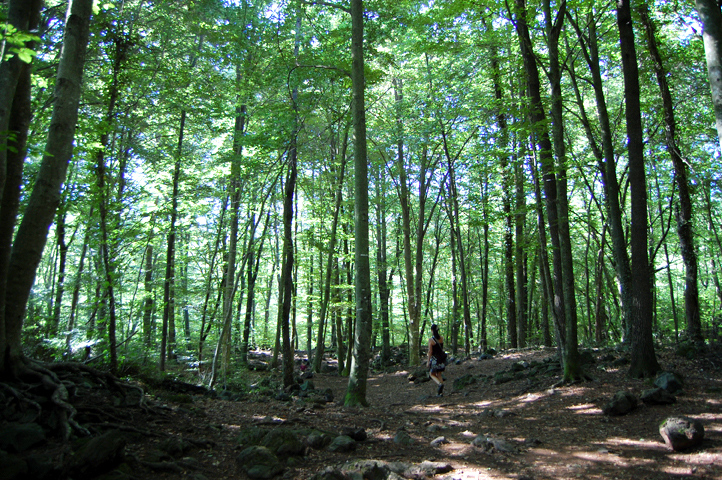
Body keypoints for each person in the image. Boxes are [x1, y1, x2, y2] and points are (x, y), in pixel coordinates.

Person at [427, 324, 446, 396]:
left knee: (431, 374)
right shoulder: (441, 338)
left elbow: (430, 351)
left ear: (432, 330)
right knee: (439, 374)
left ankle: (440, 384)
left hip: (435, 359)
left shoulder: (431, 340)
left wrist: (428, 361)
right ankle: (440, 393)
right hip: (441, 359)